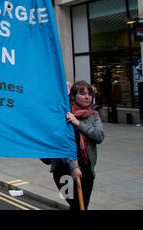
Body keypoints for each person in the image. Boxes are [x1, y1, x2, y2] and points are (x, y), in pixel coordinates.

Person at [51, 80, 105, 210]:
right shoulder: (64, 116)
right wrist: (72, 167)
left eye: (89, 94)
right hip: (63, 171)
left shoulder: (93, 115)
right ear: (73, 96)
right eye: (82, 94)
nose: (87, 97)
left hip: (87, 171)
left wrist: (79, 124)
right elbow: (62, 144)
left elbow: (99, 136)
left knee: (82, 206)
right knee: (76, 205)